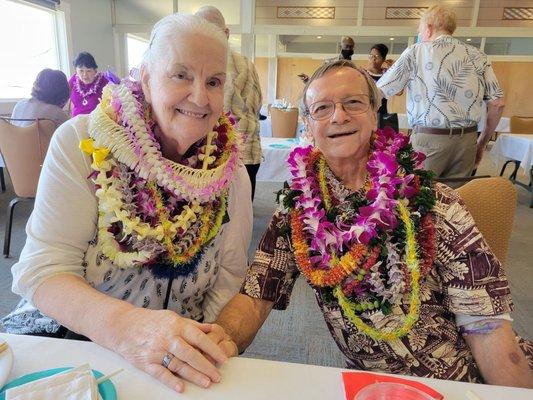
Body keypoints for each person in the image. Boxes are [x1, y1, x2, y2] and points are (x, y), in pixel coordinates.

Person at [208, 60, 533, 387]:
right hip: (374, 387)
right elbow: (255, 295)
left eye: (353, 103)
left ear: (375, 112)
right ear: (308, 124)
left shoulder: (433, 202)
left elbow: (487, 327)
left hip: (459, 378)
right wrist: (219, 341)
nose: (338, 116)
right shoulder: (298, 210)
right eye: (322, 108)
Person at [1, 13, 252, 393]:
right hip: (72, 337)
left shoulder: (230, 171)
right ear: (146, 78)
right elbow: (42, 271)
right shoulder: (82, 141)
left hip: (174, 354)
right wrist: (129, 330)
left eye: (213, 82)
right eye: (181, 75)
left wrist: (205, 346)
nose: (200, 97)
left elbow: (229, 275)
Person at [376, 5, 504, 186]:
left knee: (420, 198)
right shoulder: (478, 56)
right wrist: (481, 142)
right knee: (455, 203)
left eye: (419, 29)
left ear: (428, 28)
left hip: (429, 141)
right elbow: (497, 103)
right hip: (467, 140)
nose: (419, 33)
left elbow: (379, 91)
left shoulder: (416, 51)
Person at [195, 6, 263, 201]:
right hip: (244, 153)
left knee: (227, 217)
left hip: (228, 155)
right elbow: (257, 105)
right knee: (237, 216)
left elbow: (216, 114)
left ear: (225, 33)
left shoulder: (222, 64)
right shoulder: (246, 63)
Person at [69, 52, 110, 117]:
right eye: (81, 71)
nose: (85, 74)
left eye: (88, 71)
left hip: (97, 122)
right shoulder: (73, 80)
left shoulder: (104, 81)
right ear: (76, 71)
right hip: (76, 122)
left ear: (95, 70)